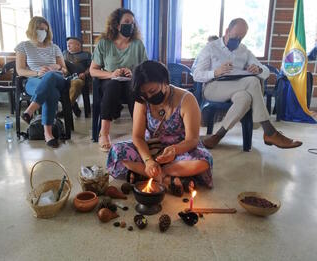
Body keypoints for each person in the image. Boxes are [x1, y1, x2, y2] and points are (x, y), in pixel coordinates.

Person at [107, 61, 213, 197]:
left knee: (204, 161)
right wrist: (148, 160)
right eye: (144, 94)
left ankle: (151, 174)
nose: (149, 97)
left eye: (153, 91)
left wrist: (175, 150)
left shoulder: (186, 100)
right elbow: (137, 137)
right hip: (150, 147)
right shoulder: (142, 100)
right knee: (117, 151)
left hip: (180, 149)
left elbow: (192, 139)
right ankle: (166, 177)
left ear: (165, 82)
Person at [193, 18, 302, 149]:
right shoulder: (211, 48)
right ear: (227, 31)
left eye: (241, 37)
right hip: (214, 87)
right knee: (253, 81)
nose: (237, 40)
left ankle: (217, 136)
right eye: (235, 35)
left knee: (245, 98)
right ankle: (269, 131)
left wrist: (258, 69)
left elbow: (265, 71)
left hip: (238, 86)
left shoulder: (244, 50)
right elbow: (197, 75)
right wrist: (215, 72)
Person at [89, 8, 148, 152]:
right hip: (109, 81)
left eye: (132, 23)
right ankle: (104, 133)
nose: (131, 26)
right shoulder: (104, 43)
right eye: (127, 22)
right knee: (113, 85)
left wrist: (133, 73)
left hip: (130, 82)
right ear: (117, 25)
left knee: (133, 90)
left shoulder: (137, 44)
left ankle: (139, 134)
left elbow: (145, 69)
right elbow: (93, 70)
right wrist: (111, 74)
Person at [15, 16, 68, 148]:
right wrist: (37, 73)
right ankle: (48, 134)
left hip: (56, 78)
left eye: (45, 30)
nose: (42, 32)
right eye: (39, 29)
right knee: (52, 94)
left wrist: (56, 67)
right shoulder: (23, 46)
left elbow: (65, 69)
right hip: (34, 79)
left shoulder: (54, 47)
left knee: (50, 77)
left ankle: (29, 111)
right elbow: (20, 70)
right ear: (32, 29)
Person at [62, 36, 91, 117]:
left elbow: (91, 68)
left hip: (79, 78)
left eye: (70, 44)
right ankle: (73, 107)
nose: (68, 46)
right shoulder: (64, 53)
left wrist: (85, 74)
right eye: (67, 44)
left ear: (78, 45)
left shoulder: (86, 55)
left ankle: (66, 109)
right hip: (66, 77)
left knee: (75, 84)